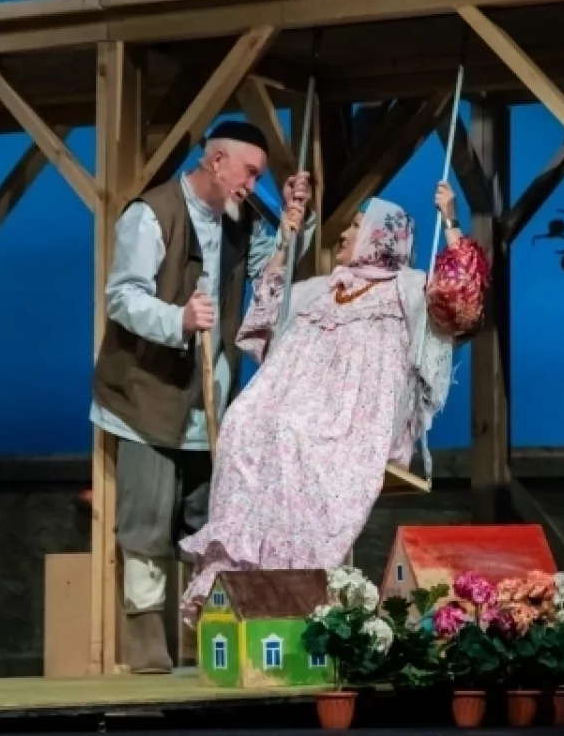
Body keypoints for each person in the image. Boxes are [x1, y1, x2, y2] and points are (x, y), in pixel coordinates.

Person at [178, 181, 489, 625]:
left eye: (356, 226)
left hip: (352, 417)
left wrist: (451, 221)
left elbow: (465, 299)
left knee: (296, 435)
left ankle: (293, 576)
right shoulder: (320, 290)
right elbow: (266, 309)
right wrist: (285, 244)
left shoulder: (409, 290)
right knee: (242, 420)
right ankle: (241, 566)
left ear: (380, 237)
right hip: (296, 404)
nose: (343, 235)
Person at [90, 120, 316, 673]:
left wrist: (293, 227)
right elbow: (122, 296)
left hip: (211, 400)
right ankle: (146, 634)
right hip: (148, 396)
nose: (254, 186)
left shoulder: (242, 220)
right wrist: (179, 319)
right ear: (217, 163)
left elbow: (270, 280)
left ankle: (203, 629)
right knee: (147, 516)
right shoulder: (154, 214)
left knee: (207, 520)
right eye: (250, 174)